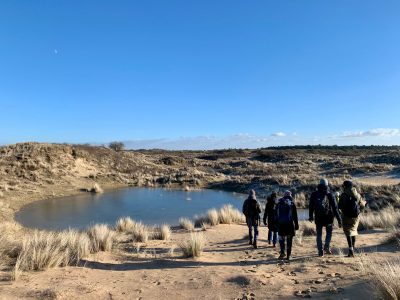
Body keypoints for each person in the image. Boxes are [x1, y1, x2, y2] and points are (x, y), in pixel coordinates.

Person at [309, 178, 342, 257]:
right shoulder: (330, 194)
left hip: (318, 217)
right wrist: (339, 219)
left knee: (319, 235)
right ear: (327, 185)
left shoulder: (314, 194)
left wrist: (310, 216)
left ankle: (320, 252)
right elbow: (335, 208)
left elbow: (311, 206)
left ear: (319, 184)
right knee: (329, 233)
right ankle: (326, 246)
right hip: (328, 218)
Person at [338, 180, 366, 257]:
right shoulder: (357, 195)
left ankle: (351, 250)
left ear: (345, 187)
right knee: (353, 232)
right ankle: (352, 249)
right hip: (356, 217)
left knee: (348, 233)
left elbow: (339, 206)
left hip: (346, 216)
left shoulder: (343, 195)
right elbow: (362, 205)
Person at [276, 190, 299, 260]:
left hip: (281, 225)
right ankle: (288, 255)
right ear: (290, 195)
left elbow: (276, 214)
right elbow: (295, 216)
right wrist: (296, 225)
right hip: (289, 225)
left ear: (284, 195)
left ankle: (282, 252)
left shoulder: (279, 203)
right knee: (289, 240)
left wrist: (276, 224)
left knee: (281, 239)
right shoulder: (292, 204)